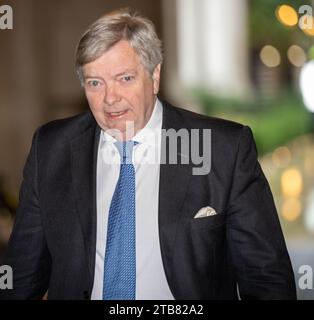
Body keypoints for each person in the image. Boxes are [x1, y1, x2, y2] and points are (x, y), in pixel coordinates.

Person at [0, 8, 296, 300]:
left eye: (125, 78)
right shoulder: (51, 149)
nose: (110, 98)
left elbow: (266, 275)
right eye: (95, 83)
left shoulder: (222, 148)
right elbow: (21, 276)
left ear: (154, 76)